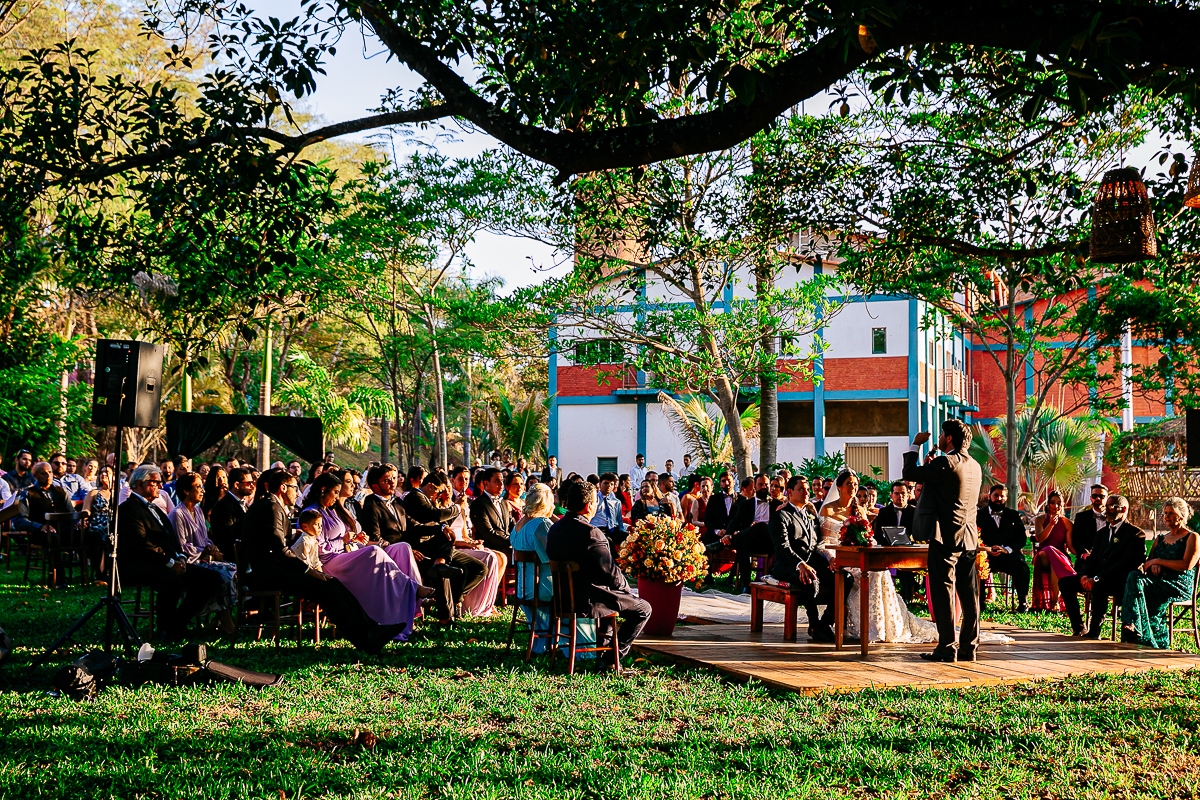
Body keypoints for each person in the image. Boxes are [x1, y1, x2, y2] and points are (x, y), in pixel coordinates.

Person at [242, 469, 404, 653]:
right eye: (295, 488)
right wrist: (309, 571)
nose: (298, 493)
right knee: (326, 587)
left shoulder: (272, 505)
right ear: (283, 488)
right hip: (267, 574)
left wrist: (299, 534)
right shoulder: (271, 507)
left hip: (274, 569)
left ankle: (372, 630)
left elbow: (279, 537)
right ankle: (364, 639)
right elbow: (280, 549)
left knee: (333, 582)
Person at [303, 472, 434, 639]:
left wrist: (357, 540)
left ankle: (406, 612)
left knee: (401, 547)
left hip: (346, 555)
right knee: (374, 552)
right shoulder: (311, 513)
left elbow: (348, 539)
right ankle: (412, 588)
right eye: (335, 492)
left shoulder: (331, 511)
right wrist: (343, 541)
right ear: (323, 490)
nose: (336, 497)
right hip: (330, 563)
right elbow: (319, 549)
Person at [902, 420, 984, 662]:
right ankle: (969, 647)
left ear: (948, 438)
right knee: (969, 595)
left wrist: (915, 445)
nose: (938, 437)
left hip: (946, 537)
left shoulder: (946, 462)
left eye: (941, 434)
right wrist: (931, 467)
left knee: (943, 592)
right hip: (969, 537)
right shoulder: (975, 465)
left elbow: (909, 473)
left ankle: (947, 648)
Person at [546, 480, 652, 667]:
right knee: (643, 608)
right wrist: (626, 590)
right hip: (587, 600)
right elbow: (610, 573)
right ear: (589, 506)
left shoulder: (555, 529)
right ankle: (612, 659)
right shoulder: (591, 533)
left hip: (562, 598)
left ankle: (604, 656)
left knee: (611, 594)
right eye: (596, 502)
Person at [118, 465, 225, 641]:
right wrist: (170, 563)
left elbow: (171, 538)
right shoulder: (129, 508)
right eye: (155, 482)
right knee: (173, 581)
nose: (161, 486)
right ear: (140, 484)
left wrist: (180, 557)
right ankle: (165, 630)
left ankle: (177, 623)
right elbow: (142, 545)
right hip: (141, 564)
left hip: (166, 560)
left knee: (212, 579)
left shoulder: (154, 508)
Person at [1059, 494, 1147, 638]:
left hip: (1120, 580)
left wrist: (1097, 578)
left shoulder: (1135, 534)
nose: (1107, 511)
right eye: (1106, 507)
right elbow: (1093, 559)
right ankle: (1079, 628)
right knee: (1065, 583)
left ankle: (1094, 632)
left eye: (1111, 507)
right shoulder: (1102, 533)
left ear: (1123, 509)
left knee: (1099, 586)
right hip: (1098, 576)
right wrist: (1084, 575)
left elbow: (1125, 564)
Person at [404, 472, 487, 621]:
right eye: (439, 491)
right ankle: (440, 567)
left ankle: (453, 599)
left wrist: (454, 511)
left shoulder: (427, 498)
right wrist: (456, 507)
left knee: (479, 569)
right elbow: (434, 516)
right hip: (426, 547)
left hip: (440, 547)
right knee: (453, 571)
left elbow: (442, 524)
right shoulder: (415, 496)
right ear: (431, 486)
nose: (439, 494)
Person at [1121, 496, 1199, 647]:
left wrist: (1158, 561)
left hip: (1178, 585)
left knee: (1139, 584)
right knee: (1134, 576)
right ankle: (1132, 624)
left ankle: (1136, 628)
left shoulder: (1192, 537)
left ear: (1181, 516)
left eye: (1171, 513)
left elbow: (1187, 564)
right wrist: (1153, 565)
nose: (1167, 516)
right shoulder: (1160, 538)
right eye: (1165, 513)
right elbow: (1147, 564)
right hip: (1157, 581)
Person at [167, 472, 237, 637]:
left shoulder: (198, 511)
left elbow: (204, 538)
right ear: (186, 491)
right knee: (223, 574)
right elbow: (181, 546)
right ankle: (220, 618)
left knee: (233, 569)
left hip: (203, 558)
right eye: (198, 487)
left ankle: (220, 617)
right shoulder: (177, 514)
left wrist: (212, 548)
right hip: (188, 562)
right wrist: (203, 551)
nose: (203, 490)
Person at [767, 476, 836, 642]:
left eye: (807, 489)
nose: (807, 493)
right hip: (788, 566)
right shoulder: (780, 515)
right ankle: (814, 625)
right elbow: (782, 547)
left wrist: (830, 558)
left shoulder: (811, 515)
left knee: (845, 578)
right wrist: (800, 564)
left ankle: (825, 623)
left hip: (811, 563)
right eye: (801, 489)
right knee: (810, 580)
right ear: (790, 493)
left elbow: (817, 544)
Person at [12, 461, 74, 585]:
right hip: (40, 533)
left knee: (92, 535)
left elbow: (71, 513)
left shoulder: (60, 491)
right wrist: (39, 526)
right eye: (43, 473)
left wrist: (77, 522)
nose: (48, 476)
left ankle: (98, 576)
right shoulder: (28, 493)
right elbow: (20, 520)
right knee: (53, 538)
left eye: (50, 472)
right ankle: (58, 579)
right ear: (35, 476)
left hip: (62, 529)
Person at [511, 483, 556, 651]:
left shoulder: (518, 525)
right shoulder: (542, 524)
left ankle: (546, 642)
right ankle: (573, 644)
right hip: (541, 588)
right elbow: (554, 555)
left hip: (523, 588)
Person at [976, 484, 1030, 612]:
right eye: (996, 495)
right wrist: (986, 549)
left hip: (1008, 555)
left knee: (1022, 566)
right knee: (975, 565)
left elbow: (1021, 539)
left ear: (1006, 498)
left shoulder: (1013, 515)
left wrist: (1007, 549)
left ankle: (1023, 602)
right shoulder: (979, 515)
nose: (999, 499)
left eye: (1002, 496)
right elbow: (973, 536)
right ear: (989, 496)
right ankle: (980, 602)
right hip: (986, 555)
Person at [721, 473, 775, 592]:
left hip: (769, 542)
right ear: (755, 486)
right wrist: (727, 533)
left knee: (761, 525)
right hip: (751, 541)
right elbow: (736, 520)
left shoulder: (777, 504)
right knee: (743, 545)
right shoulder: (746, 504)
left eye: (766, 484)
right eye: (760, 484)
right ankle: (747, 584)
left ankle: (732, 539)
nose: (763, 487)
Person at [1031, 491, 1076, 611]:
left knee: (1055, 563)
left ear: (1062, 505)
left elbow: (1070, 546)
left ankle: (1055, 602)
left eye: (1058, 503)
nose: (1055, 506)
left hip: (1060, 556)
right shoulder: (1040, 519)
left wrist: (1082, 554)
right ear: (1048, 504)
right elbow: (1040, 539)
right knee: (1050, 549)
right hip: (1043, 554)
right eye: (1052, 503)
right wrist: (1051, 525)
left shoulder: (1067, 523)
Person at [208, 466, 253, 557]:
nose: (252, 486)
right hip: (231, 556)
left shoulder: (244, 505)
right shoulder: (223, 506)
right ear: (236, 485)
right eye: (248, 483)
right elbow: (227, 537)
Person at [471, 467, 514, 557]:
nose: (501, 484)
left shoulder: (502, 502)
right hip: (490, 548)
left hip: (507, 544)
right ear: (486, 483)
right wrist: (511, 542)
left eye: (502, 481)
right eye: (496, 481)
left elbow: (511, 523)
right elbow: (487, 533)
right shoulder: (478, 504)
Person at [81, 464, 116, 574]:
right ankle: (100, 571)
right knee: (101, 536)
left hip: (113, 524)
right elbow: (85, 510)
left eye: (107, 473)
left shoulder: (117, 494)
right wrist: (84, 520)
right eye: (101, 472)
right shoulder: (94, 493)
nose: (103, 474)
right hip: (98, 525)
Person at [1071, 484, 1109, 572]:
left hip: (1108, 559)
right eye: (1094, 496)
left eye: (1101, 496)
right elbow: (1076, 539)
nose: (1097, 499)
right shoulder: (1081, 517)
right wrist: (1084, 553)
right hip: (1087, 559)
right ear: (1091, 498)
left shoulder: (1113, 517)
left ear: (1107, 498)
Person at [590, 472, 627, 548]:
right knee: (609, 543)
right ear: (600, 484)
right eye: (606, 483)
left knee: (630, 538)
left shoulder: (616, 502)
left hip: (613, 528)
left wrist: (621, 531)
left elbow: (619, 520)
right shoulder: (594, 500)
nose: (609, 486)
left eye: (611, 484)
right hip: (599, 528)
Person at [703, 471, 738, 546]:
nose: (726, 483)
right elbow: (707, 519)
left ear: (734, 482)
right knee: (703, 541)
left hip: (735, 535)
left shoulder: (742, 499)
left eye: (729, 480)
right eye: (723, 481)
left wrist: (736, 532)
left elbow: (745, 520)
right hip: (717, 534)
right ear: (720, 484)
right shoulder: (713, 499)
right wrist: (717, 531)